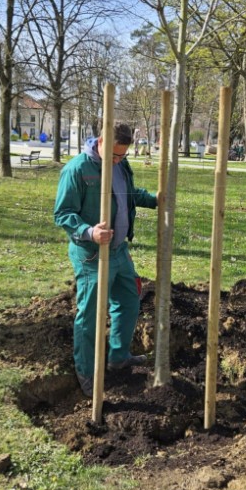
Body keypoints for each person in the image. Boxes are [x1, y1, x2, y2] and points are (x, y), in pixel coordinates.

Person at [54, 123, 158, 397]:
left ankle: (118, 356)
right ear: (100, 141)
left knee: (128, 300)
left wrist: (155, 200)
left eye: (122, 156)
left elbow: (130, 195)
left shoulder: (121, 166)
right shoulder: (78, 169)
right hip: (92, 255)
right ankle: (87, 373)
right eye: (113, 155)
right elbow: (62, 213)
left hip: (120, 251)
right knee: (90, 315)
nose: (117, 160)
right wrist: (89, 231)